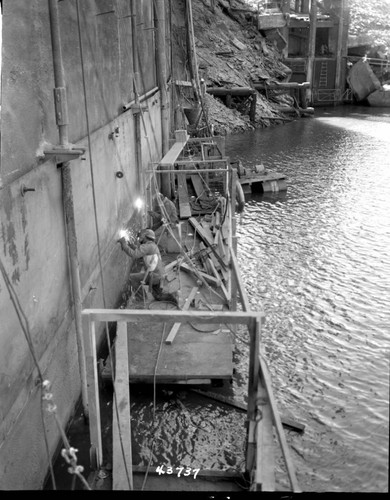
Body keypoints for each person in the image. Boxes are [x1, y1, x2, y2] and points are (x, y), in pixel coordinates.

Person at [118, 228, 165, 301]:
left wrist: (124, 244)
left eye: (142, 237)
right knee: (158, 296)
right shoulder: (152, 245)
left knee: (131, 278)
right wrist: (130, 245)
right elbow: (140, 251)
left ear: (145, 237)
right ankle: (155, 294)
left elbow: (134, 254)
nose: (140, 238)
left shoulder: (147, 246)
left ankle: (141, 299)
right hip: (159, 275)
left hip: (154, 277)